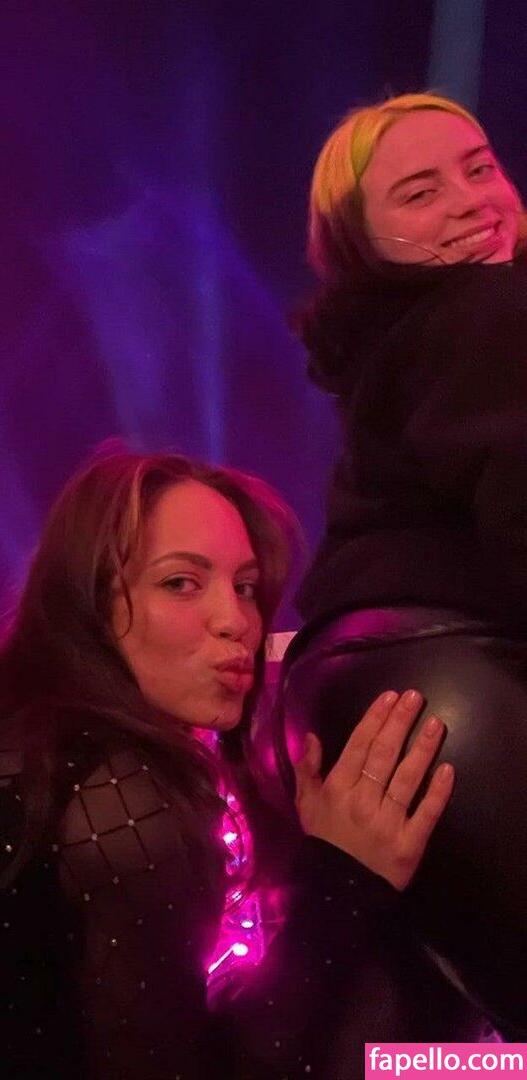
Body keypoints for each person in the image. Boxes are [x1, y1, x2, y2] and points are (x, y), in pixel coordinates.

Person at [0, 440, 454, 1079]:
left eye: (247, 587)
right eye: (180, 583)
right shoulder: (118, 791)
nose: (237, 621)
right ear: (89, 601)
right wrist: (343, 879)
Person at [283, 91, 527, 1038]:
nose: (470, 200)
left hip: (366, 695)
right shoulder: (488, 309)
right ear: (359, 244)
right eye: (420, 192)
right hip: (455, 692)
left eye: (480, 166)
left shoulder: (408, 340)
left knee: (426, 1043)